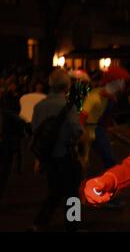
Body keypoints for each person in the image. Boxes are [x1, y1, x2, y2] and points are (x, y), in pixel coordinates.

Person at [30, 69, 83, 232]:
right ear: (67, 87)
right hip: (66, 155)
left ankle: (39, 223)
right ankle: (72, 226)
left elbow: (35, 130)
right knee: (73, 192)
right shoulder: (68, 106)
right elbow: (77, 130)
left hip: (48, 156)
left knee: (54, 191)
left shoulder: (39, 106)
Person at [79, 66, 130, 170]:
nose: (123, 84)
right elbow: (83, 115)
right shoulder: (95, 97)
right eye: (122, 81)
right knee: (107, 158)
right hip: (91, 129)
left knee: (104, 158)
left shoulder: (108, 96)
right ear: (115, 82)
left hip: (95, 128)